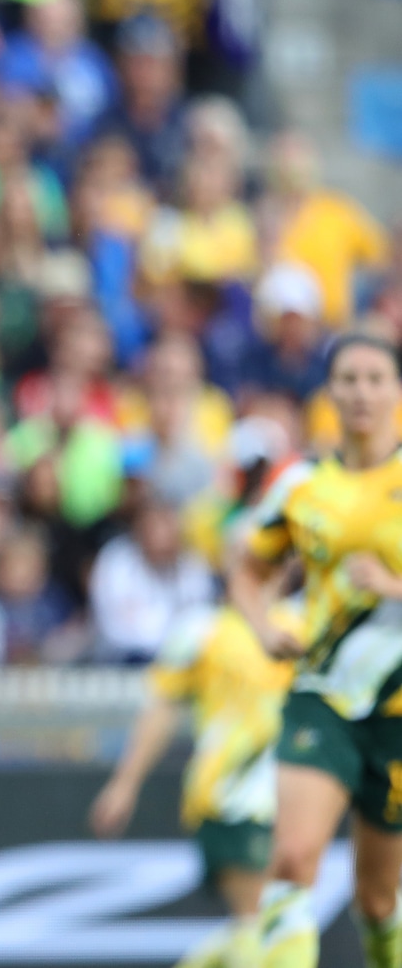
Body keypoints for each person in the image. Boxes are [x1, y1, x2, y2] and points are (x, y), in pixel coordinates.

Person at [228, 335, 402, 968]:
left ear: (397, 390)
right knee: (294, 858)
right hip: (322, 693)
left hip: (398, 711)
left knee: (379, 900)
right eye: (348, 379)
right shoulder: (301, 484)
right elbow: (247, 562)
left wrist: (393, 587)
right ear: (329, 392)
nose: (361, 392)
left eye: (375, 378)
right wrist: (261, 623)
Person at [90, 594, 298, 968]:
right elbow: (163, 706)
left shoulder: (308, 618)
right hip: (232, 792)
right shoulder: (200, 628)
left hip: (300, 792)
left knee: (276, 922)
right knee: (257, 915)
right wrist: (124, 784)